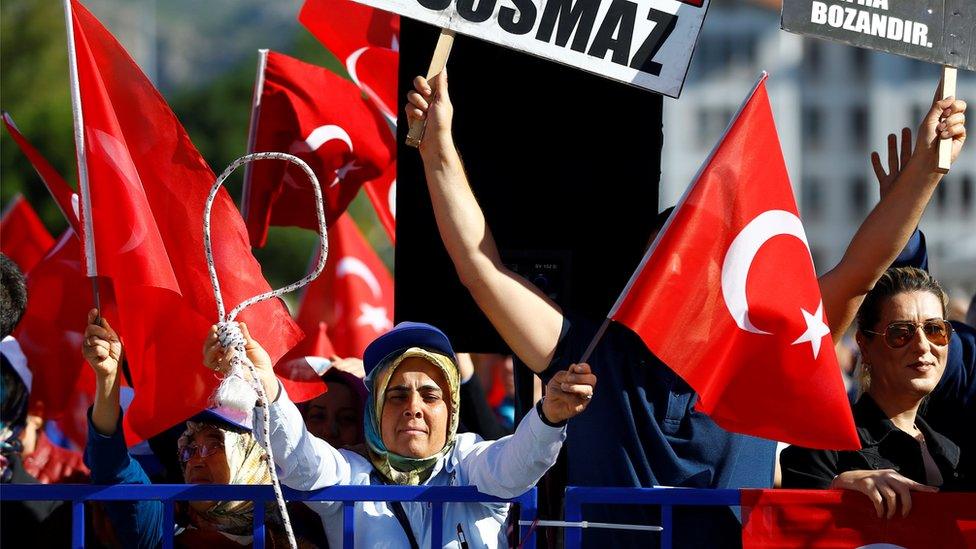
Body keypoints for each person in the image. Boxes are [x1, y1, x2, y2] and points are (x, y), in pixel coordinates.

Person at [404, 71, 967, 546]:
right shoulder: (591, 354)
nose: (681, 274)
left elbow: (858, 273)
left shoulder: (760, 352)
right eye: (667, 259)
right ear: (642, 274)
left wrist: (928, 170)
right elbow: (482, 270)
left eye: (702, 258)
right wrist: (437, 148)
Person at [203, 321, 596, 548]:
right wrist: (265, 387)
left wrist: (549, 417)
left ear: (452, 410)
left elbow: (516, 464)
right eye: (396, 395)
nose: (414, 407)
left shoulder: (470, 460)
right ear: (373, 410)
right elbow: (301, 461)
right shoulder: (350, 473)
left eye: (431, 395)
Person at [82, 309, 324, 548]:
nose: (194, 461)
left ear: (254, 457)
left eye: (214, 444)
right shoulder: (159, 533)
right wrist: (107, 379)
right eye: (189, 448)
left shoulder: (293, 539)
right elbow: (110, 464)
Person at [781, 267, 971, 517]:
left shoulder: (954, 452)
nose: (923, 345)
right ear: (864, 345)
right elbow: (792, 527)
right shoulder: (822, 446)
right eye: (901, 333)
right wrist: (836, 486)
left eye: (935, 330)